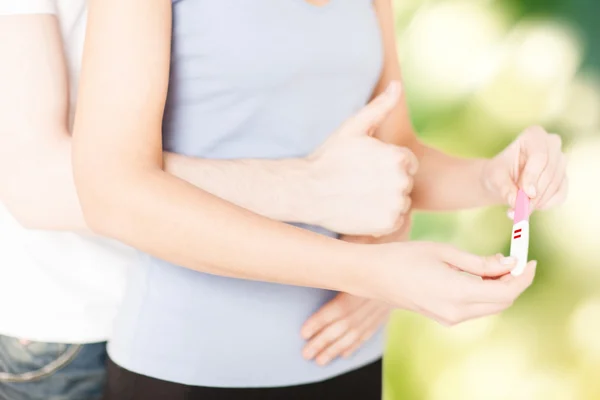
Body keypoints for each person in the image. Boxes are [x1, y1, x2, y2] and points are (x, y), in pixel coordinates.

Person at [70, 0, 568, 399]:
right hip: (196, 366)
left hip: (350, 357)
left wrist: (492, 176)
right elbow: (113, 192)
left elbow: (397, 156)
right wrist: (369, 272)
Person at [1, 1, 421, 399]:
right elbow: (41, 185)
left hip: (232, 307)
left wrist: (377, 251)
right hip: (71, 333)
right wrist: (312, 191)